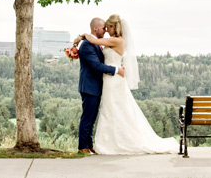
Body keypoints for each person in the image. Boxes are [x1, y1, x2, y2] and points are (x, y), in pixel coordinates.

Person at [75, 14, 178, 154]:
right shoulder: (90, 44)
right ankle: (83, 146)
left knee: (107, 112)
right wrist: (117, 68)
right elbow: (97, 66)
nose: (105, 30)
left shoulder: (111, 41)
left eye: (107, 27)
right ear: (95, 28)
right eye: (103, 28)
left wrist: (83, 36)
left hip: (111, 81)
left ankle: (92, 145)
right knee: (91, 116)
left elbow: (100, 54)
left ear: (113, 27)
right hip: (96, 84)